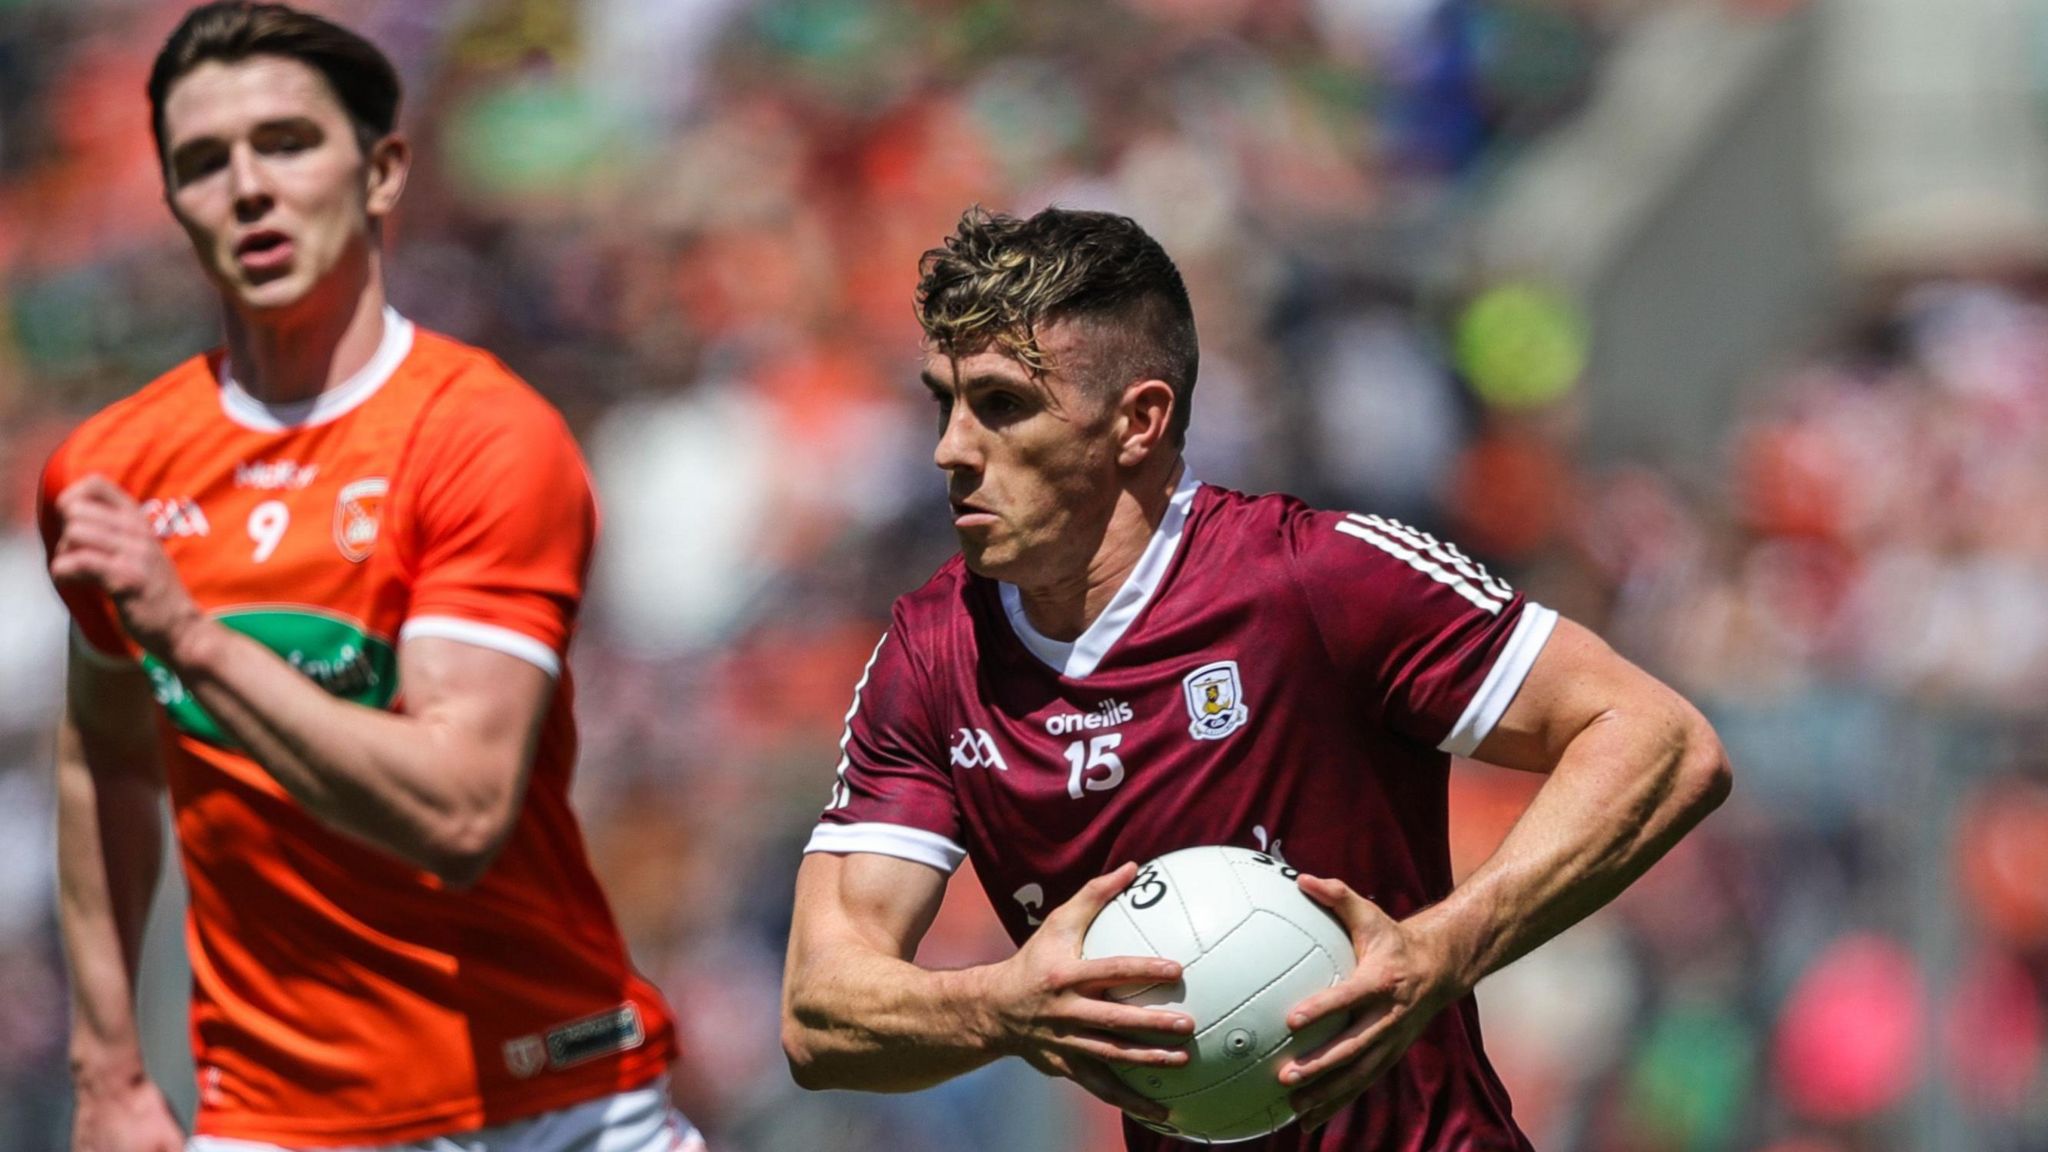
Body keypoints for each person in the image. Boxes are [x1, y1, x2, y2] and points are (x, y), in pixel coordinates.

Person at [780, 206, 1733, 1151]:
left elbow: (1660, 739)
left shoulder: (1317, 579)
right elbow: (820, 1011)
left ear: (1138, 422)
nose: (951, 448)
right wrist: (1003, 1007)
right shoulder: (934, 653)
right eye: (941, 401)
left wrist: (1447, 948)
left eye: (1001, 404)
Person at [39, 5, 701, 1150]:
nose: (247, 186)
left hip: (548, 1101)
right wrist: (108, 1071)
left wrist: (191, 639)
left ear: (383, 171)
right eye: (203, 163)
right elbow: (104, 759)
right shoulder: (110, 470)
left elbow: (458, 808)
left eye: (287, 143)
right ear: (174, 206)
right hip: (280, 1118)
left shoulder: (484, 437)